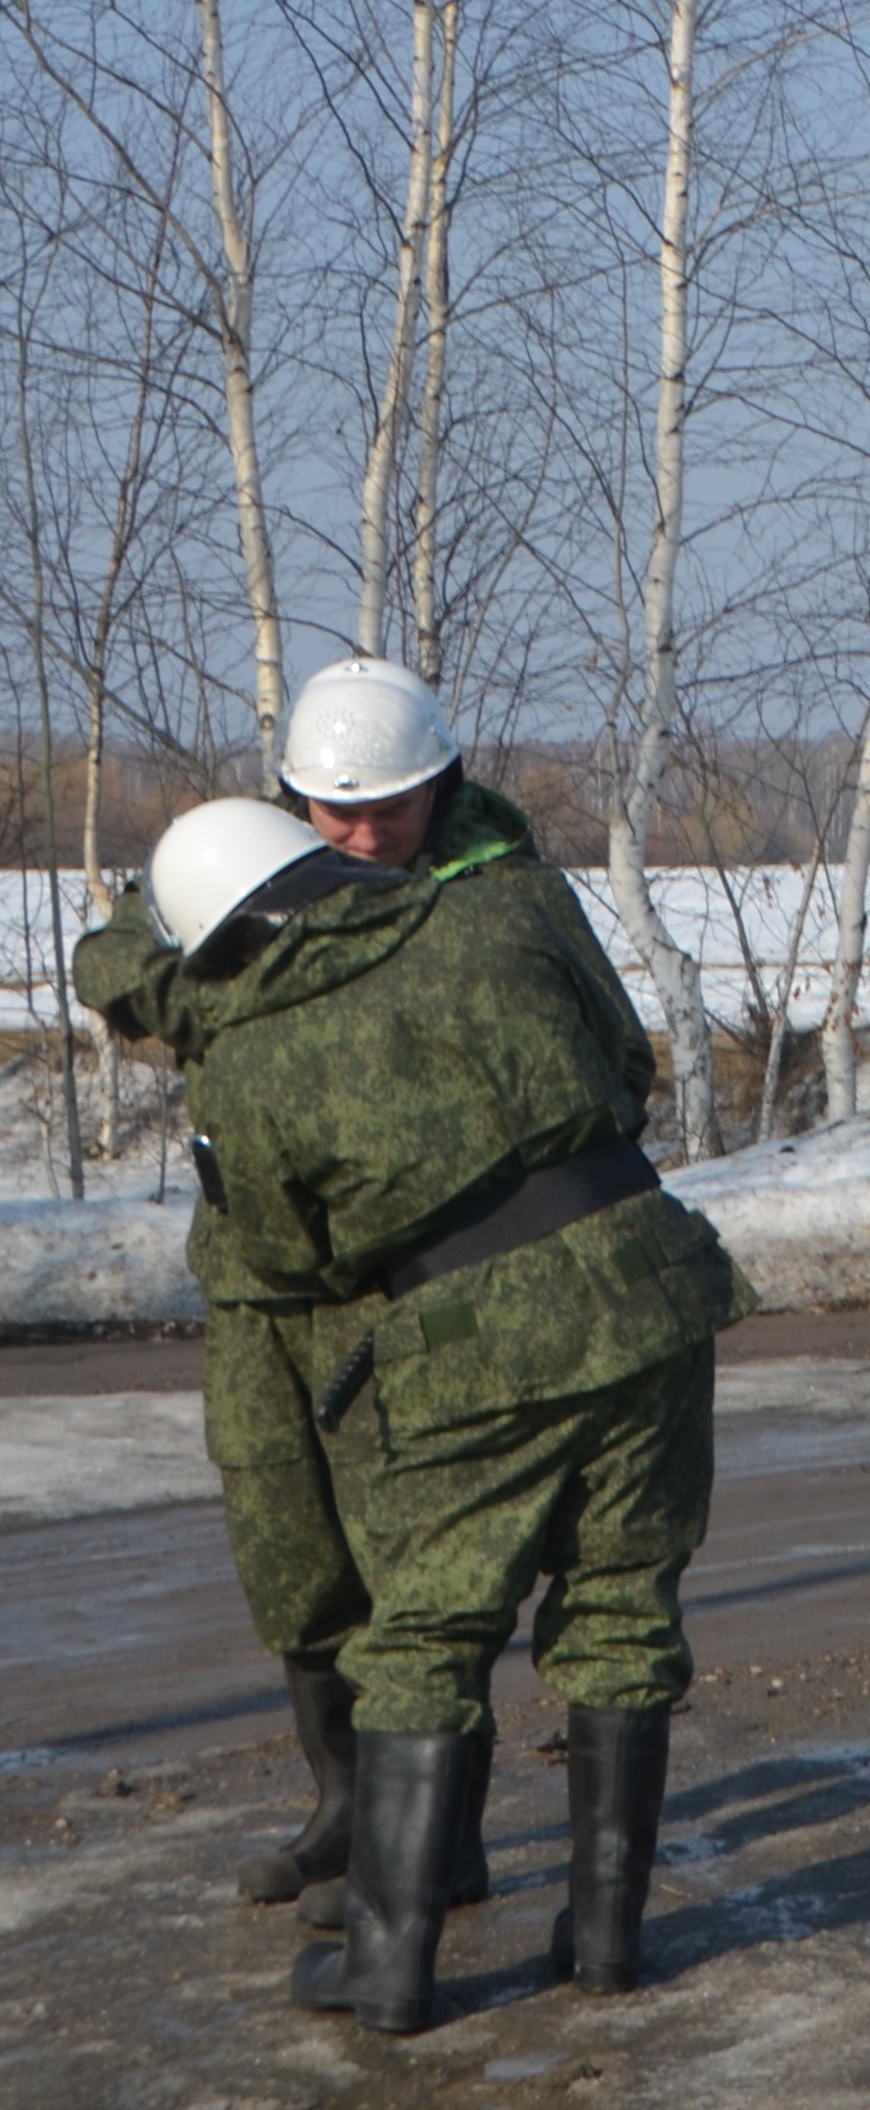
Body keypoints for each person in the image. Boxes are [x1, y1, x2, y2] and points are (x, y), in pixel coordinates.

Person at [94, 785, 742, 2033]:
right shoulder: (499, 914)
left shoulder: (254, 1060)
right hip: (649, 1279)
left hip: (468, 1333)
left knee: (428, 1633)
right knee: (622, 1605)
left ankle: (389, 1966)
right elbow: (623, 1062)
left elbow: (288, 1263)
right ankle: (606, 1943)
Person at [79, 657, 567, 1939]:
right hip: (253, 1273)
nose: (359, 836)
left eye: (387, 810)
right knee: (289, 1548)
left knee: (411, 1556)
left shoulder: (487, 889)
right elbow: (116, 955)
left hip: (394, 1277)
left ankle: (439, 1841)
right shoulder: (246, 868)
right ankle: (346, 1805)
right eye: (333, 811)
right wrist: (234, 973)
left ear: (441, 786)